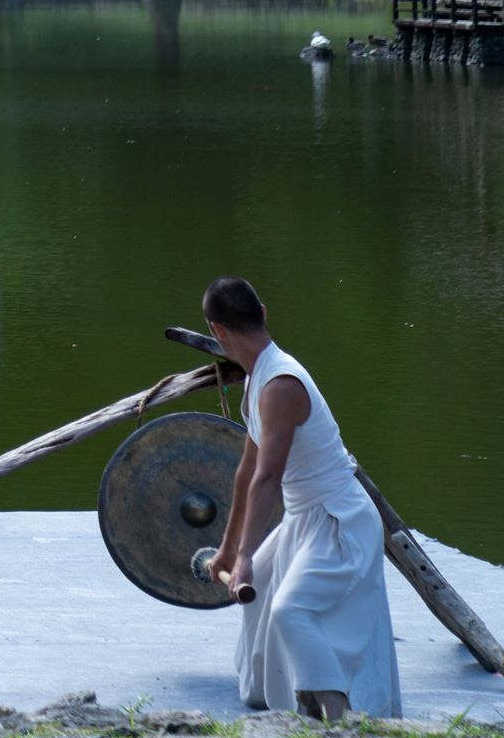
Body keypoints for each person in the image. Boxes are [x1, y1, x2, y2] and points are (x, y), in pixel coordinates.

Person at [201, 276, 402, 720]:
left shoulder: (281, 385)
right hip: (303, 519)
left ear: (218, 331)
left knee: (292, 611)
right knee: (263, 608)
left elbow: (268, 478)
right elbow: (246, 472)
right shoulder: (257, 381)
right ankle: (295, 707)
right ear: (264, 313)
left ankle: (341, 721)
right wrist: (228, 551)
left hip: (338, 521)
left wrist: (247, 556)